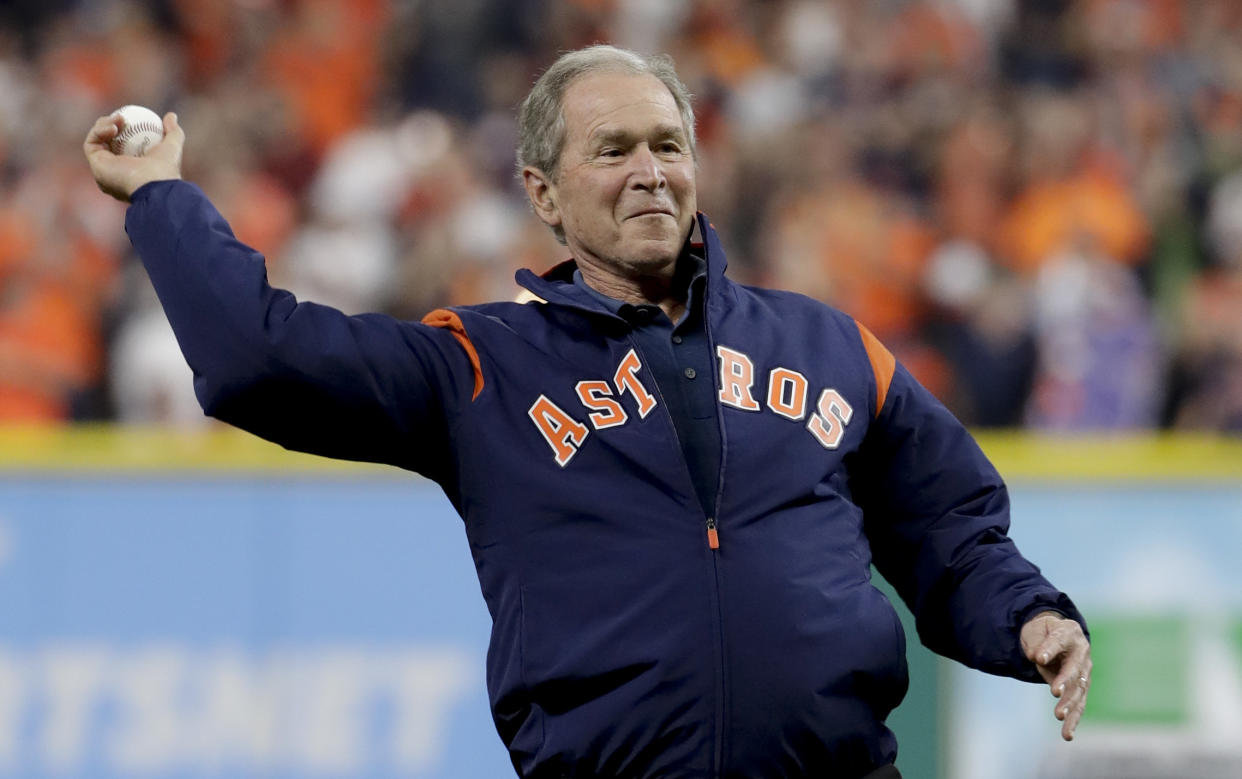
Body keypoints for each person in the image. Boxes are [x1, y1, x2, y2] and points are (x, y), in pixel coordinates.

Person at [85, 45, 1091, 779]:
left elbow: (947, 526)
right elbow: (258, 359)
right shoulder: (480, 364)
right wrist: (161, 199)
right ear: (545, 192)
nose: (652, 171)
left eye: (669, 145)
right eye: (613, 150)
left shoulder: (826, 346)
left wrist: (1030, 614)